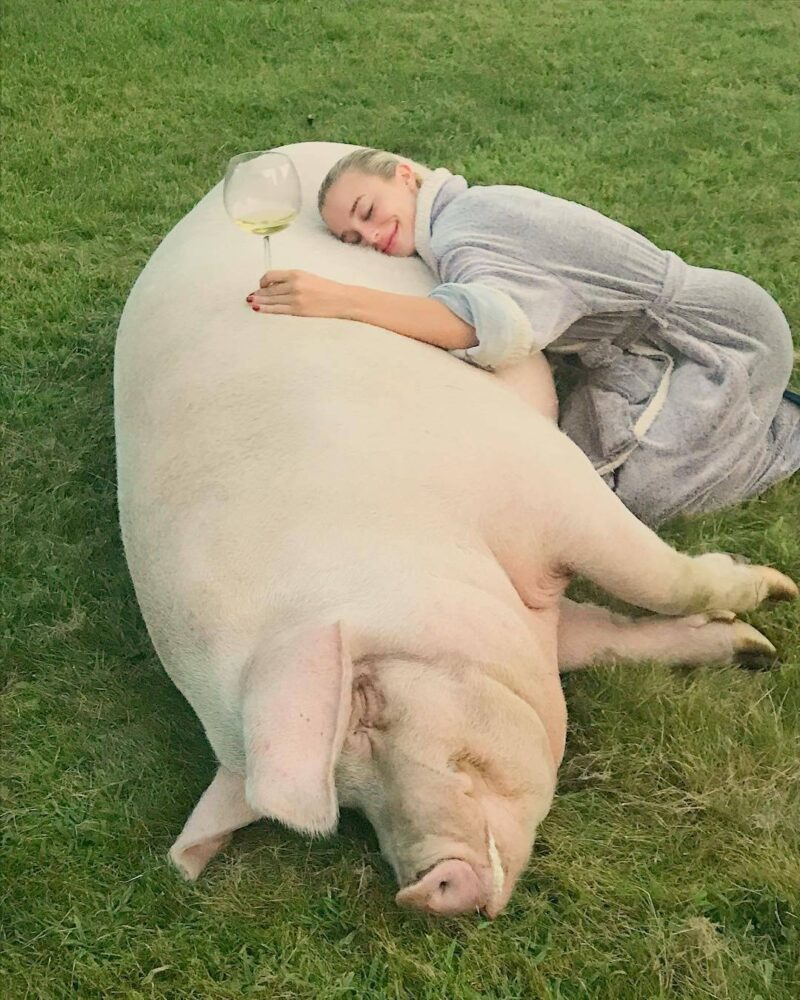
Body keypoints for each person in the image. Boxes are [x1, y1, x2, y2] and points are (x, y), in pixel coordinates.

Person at [245, 147, 799, 526]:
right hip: (644, 346)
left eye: (367, 211)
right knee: (572, 468)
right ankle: (749, 418)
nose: (369, 235)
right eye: (352, 237)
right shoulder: (462, 215)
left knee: (623, 499)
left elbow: (493, 328)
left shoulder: (465, 227)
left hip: (718, 341)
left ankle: (781, 428)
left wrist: (340, 299)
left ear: (405, 176)